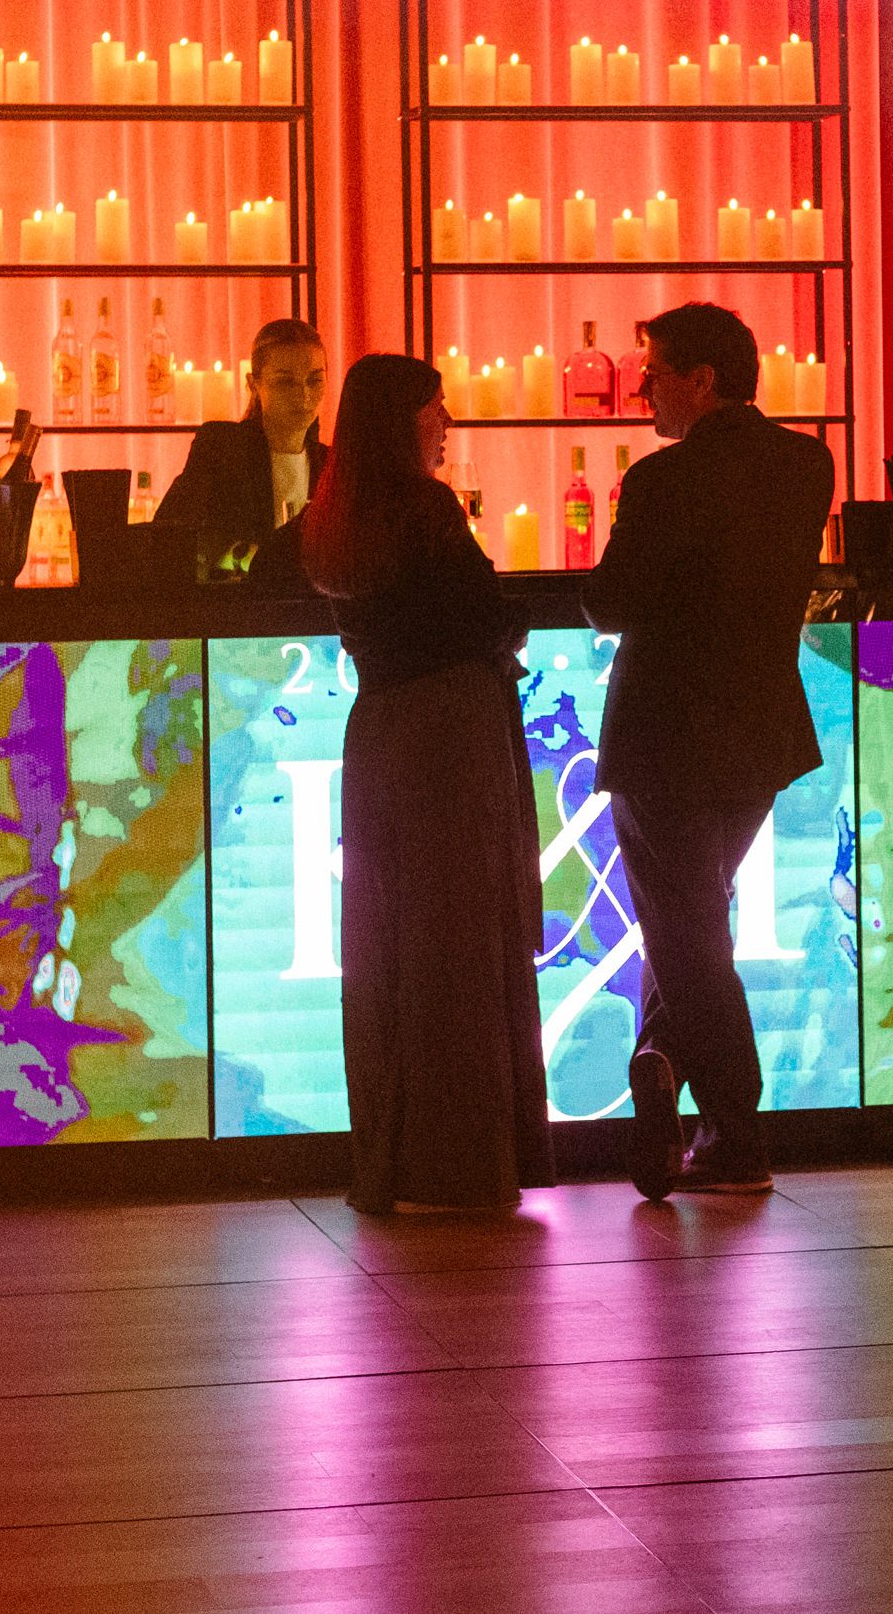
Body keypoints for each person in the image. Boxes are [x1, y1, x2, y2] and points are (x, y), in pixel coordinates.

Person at [584, 302, 835, 1199]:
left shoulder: (661, 482)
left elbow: (609, 604)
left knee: (687, 932)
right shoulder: (809, 464)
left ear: (702, 380)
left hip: (662, 740)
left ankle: (737, 1132)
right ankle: (658, 1058)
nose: (642, 387)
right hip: (758, 735)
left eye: (653, 371)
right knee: (689, 924)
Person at [299, 352, 555, 1213]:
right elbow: (485, 614)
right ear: (407, 422)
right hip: (452, 735)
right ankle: (459, 1166)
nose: (446, 424)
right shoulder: (427, 509)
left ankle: (396, 1161)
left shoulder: (333, 516)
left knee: (392, 948)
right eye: (436, 410)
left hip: (379, 736)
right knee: (459, 947)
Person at [156, 317, 329, 583]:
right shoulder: (221, 447)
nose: (303, 395)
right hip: (239, 614)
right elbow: (172, 534)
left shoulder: (331, 463)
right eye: (286, 382)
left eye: (314, 381)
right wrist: (250, 559)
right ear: (254, 384)